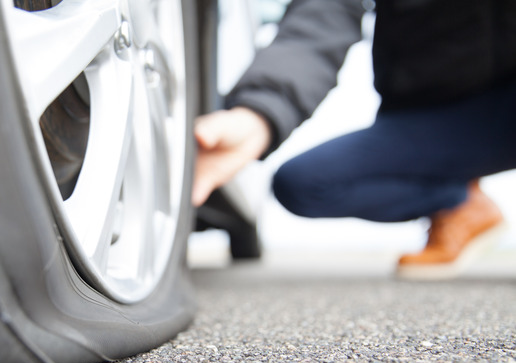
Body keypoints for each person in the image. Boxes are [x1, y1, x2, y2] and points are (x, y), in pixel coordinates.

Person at [193, 0, 516, 279]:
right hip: (426, 117)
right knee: (302, 183)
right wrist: (259, 113)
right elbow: (322, 16)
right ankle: (460, 205)